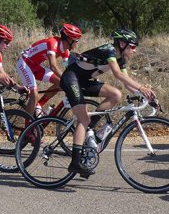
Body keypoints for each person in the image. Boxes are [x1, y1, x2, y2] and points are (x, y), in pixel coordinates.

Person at [59, 29, 155, 176]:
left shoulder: (121, 58)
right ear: (122, 44)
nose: (134, 51)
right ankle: (75, 163)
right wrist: (141, 87)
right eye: (133, 47)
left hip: (84, 81)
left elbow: (127, 83)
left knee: (116, 94)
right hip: (71, 78)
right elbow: (117, 74)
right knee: (82, 119)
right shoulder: (109, 50)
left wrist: (144, 95)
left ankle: (89, 127)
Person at [17, 24, 82, 117]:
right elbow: (53, 66)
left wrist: (80, 76)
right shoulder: (53, 43)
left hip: (35, 66)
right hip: (24, 63)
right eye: (76, 41)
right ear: (69, 39)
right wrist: (67, 79)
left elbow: (68, 68)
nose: (77, 43)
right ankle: (28, 130)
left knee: (60, 83)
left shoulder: (65, 50)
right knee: (34, 96)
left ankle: (38, 106)